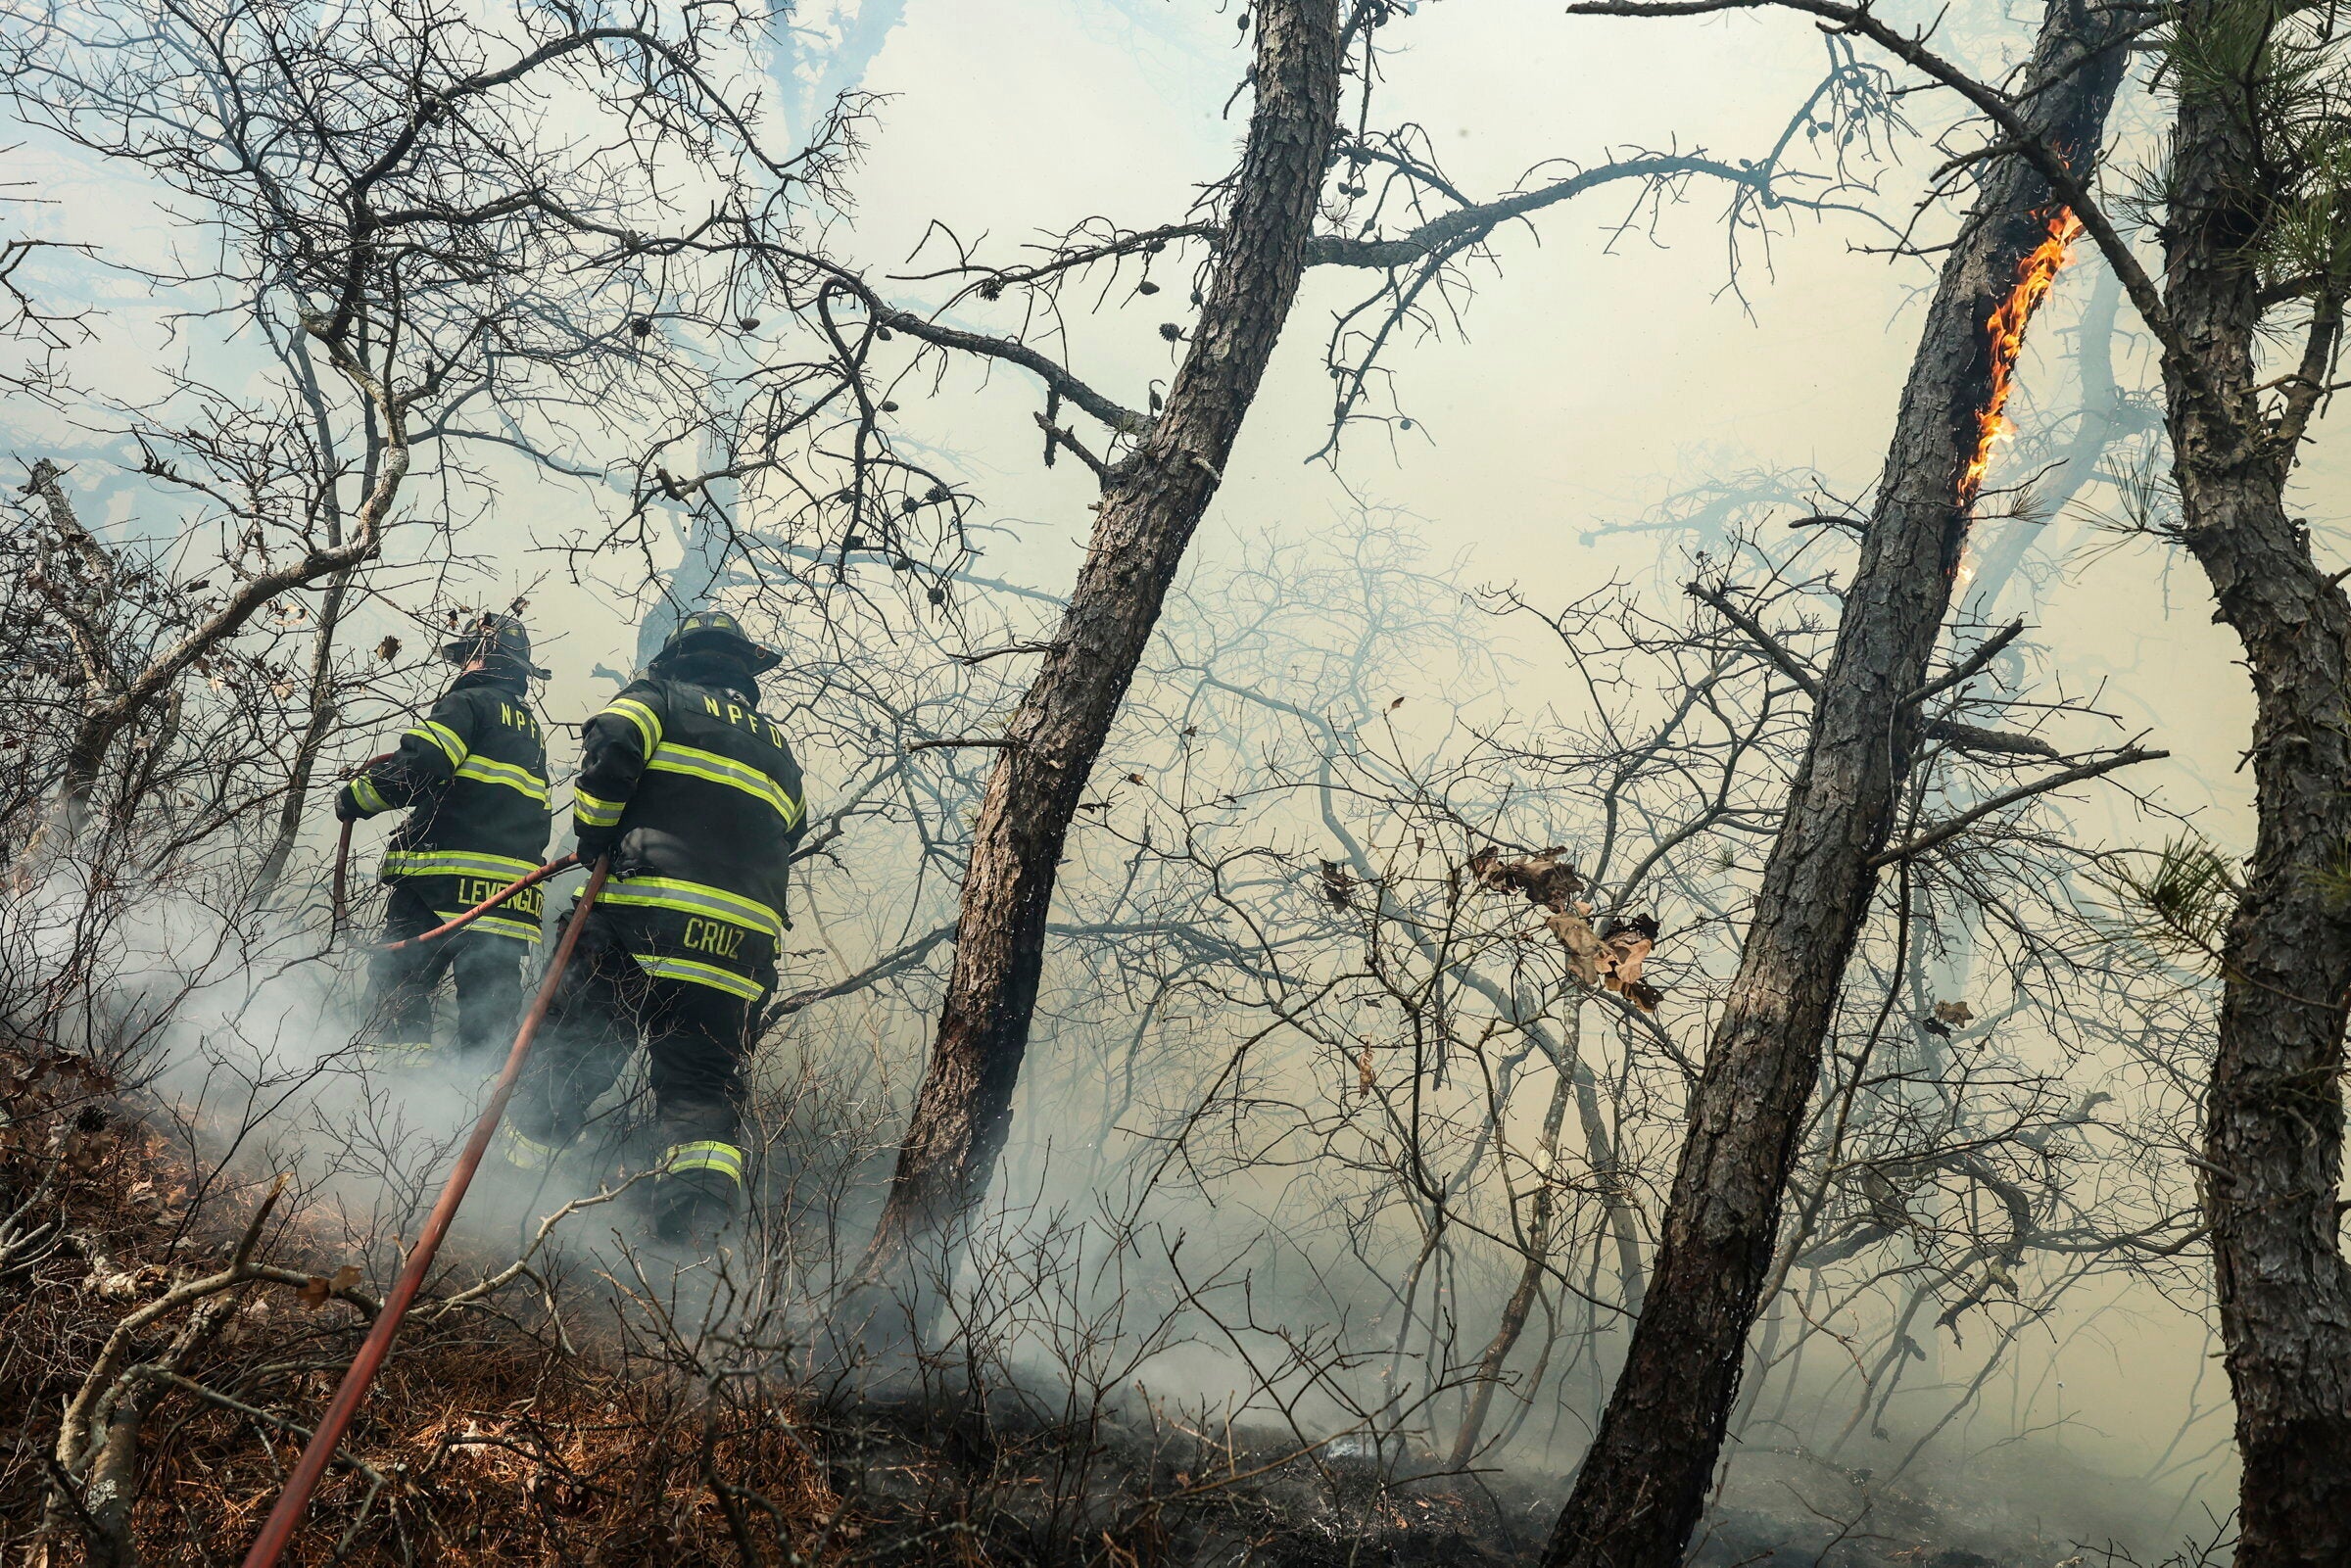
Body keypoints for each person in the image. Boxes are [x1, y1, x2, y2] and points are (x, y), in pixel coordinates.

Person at [503, 609, 807, 1244]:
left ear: (680, 656)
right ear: (742, 670)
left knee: (574, 1048)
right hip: (738, 950)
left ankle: (509, 1197)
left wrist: (596, 831)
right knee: (700, 1088)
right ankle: (689, 1253)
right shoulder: (780, 752)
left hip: (644, 922)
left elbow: (612, 736)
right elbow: (793, 831)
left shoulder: (661, 697)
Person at [338, 613, 553, 1062]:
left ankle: (390, 1096)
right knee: (489, 1023)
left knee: (396, 992)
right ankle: (468, 1114)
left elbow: (420, 765)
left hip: (438, 888)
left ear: (479, 657)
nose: (460, 668)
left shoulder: (467, 705)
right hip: (508, 902)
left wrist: (358, 796)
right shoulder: (530, 732)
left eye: (464, 657)